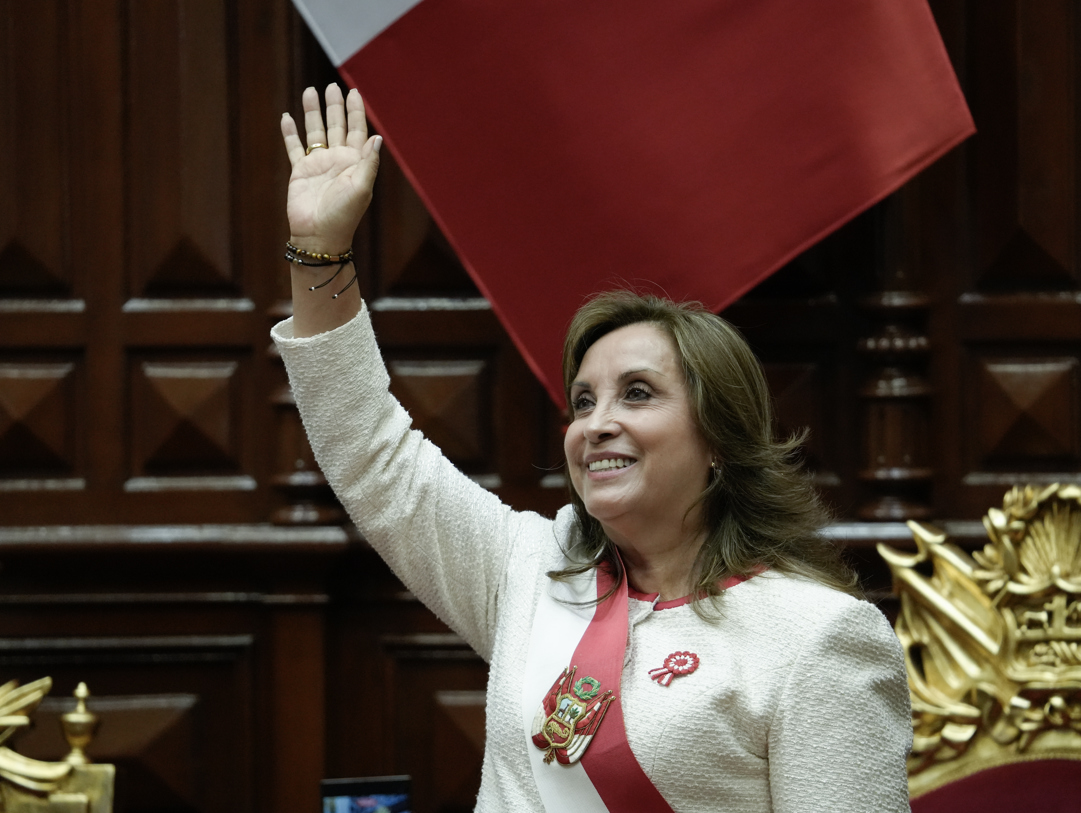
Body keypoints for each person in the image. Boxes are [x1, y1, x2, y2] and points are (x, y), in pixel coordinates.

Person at [273, 83, 912, 812]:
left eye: (637, 393)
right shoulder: (530, 571)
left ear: (720, 442)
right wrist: (318, 251)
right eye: (584, 400)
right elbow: (374, 456)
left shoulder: (817, 635)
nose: (596, 423)